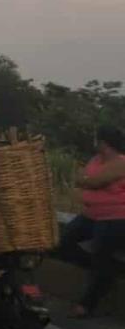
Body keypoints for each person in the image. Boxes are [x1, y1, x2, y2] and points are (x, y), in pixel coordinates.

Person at [59, 124, 125, 318]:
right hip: (91, 215)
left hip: (116, 217)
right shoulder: (96, 159)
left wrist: (87, 180)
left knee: (101, 256)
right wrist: (87, 179)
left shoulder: (121, 162)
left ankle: (88, 303)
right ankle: (105, 270)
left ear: (103, 142)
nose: (94, 142)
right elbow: (80, 178)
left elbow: (92, 181)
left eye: (96, 139)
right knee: (64, 243)